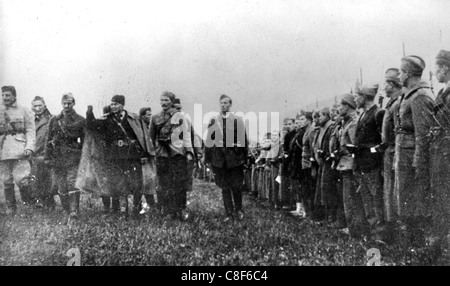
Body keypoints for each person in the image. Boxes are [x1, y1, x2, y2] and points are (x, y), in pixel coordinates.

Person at [86, 95, 155, 217]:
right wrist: (89, 114)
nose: (113, 106)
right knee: (117, 183)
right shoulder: (106, 120)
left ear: (122, 105)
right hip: (114, 157)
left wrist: (143, 154)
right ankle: (120, 210)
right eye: (112, 104)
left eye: (116, 104)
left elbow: (141, 137)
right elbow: (93, 127)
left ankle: (137, 209)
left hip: (132, 156)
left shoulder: (134, 119)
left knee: (136, 183)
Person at [395, 55, 435, 247]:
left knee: (414, 199)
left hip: (412, 156)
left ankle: (416, 244)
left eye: (401, 72)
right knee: (405, 197)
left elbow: (423, 133)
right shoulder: (410, 94)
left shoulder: (420, 96)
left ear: (409, 73)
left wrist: (419, 161)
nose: (399, 76)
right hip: (405, 153)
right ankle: (409, 242)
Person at [150, 91, 194, 220]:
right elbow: (151, 138)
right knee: (164, 183)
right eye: (162, 100)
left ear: (171, 102)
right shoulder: (155, 118)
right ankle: (167, 210)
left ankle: (180, 209)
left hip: (177, 153)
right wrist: (152, 153)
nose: (163, 103)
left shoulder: (180, 117)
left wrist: (189, 152)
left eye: (166, 100)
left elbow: (186, 135)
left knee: (179, 183)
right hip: (162, 154)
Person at [204, 94, 249, 222]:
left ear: (230, 105)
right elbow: (209, 140)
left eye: (226, 103)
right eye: (222, 103)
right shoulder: (214, 120)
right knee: (224, 187)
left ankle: (238, 209)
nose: (223, 105)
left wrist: (244, 158)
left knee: (236, 186)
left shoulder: (237, 120)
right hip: (219, 159)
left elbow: (243, 140)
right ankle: (228, 212)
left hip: (234, 159)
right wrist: (208, 160)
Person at [353, 84, 386, 241]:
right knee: (367, 200)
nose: (355, 99)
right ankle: (372, 232)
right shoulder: (362, 114)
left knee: (376, 199)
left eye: (357, 96)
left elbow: (382, 141)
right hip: (362, 164)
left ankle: (379, 233)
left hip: (372, 164)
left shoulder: (378, 113)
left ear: (364, 97)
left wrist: (372, 152)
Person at [44, 93, 85, 218]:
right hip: (57, 157)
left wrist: (83, 157)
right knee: (61, 186)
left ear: (74, 103)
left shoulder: (80, 120)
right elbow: (48, 139)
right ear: (61, 103)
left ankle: (74, 211)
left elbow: (84, 142)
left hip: (73, 156)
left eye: (69, 103)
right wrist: (47, 157)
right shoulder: (54, 120)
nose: (67, 106)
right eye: (64, 103)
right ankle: (67, 209)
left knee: (72, 182)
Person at [335, 93, 368, 237]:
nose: (338, 109)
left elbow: (356, 146)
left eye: (341, 105)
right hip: (345, 165)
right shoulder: (347, 122)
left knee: (351, 201)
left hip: (351, 166)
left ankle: (356, 231)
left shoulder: (353, 122)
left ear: (347, 106)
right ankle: (353, 228)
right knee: (348, 200)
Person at [0, 86, 35, 216]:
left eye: (8, 95)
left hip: (20, 150)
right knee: (6, 181)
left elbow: (31, 131)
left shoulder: (24, 110)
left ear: (14, 96)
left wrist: (29, 147)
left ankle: (27, 205)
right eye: (3, 95)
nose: (5, 98)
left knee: (22, 180)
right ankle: (11, 208)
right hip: (3, 150)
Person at [429, 50, 450, 257]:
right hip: (441, 153)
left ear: (444, 68)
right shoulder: (443, 92)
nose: (435, 73)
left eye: (436, 69)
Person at [380, 68, 403, 241]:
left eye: (386, 83)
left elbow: (398, 132)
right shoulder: (391, 104)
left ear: (393, 85)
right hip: (388, 151)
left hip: (395, 151)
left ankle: (393, 230)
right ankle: (390, 228)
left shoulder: (397, 104)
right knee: (388, 191)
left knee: (394, 192)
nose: (384, 87)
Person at [173, 97, 203, 218]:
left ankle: (182, 208)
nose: (178, 111)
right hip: (168, 157)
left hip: (183, 156)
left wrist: (198, 153)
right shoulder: (164, 121)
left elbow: (193, 136)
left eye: (180, 109)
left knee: (182, 184)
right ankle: (170, 209)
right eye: (176, 109)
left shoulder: (185, 120)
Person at [312, 107, 337, 223]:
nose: (318, 118)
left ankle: (331, 217)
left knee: (328, 189)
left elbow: (331, 144)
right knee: (323, 190)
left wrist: (326, 153)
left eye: (320, 116)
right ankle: (326, 216)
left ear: (327, 116)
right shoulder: (320, 129)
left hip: (328, 161)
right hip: (322, 162)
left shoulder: (331, 127)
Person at [30, 96, 55, 210]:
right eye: (35, 106)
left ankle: (49, 202)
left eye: (40, 105)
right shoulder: (30, 120)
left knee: (47, 180)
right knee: (34, 179)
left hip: (46, 153)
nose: (38, 108)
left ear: (45, 106)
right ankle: (36, 200)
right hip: (32, 153)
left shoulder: (51, 119)